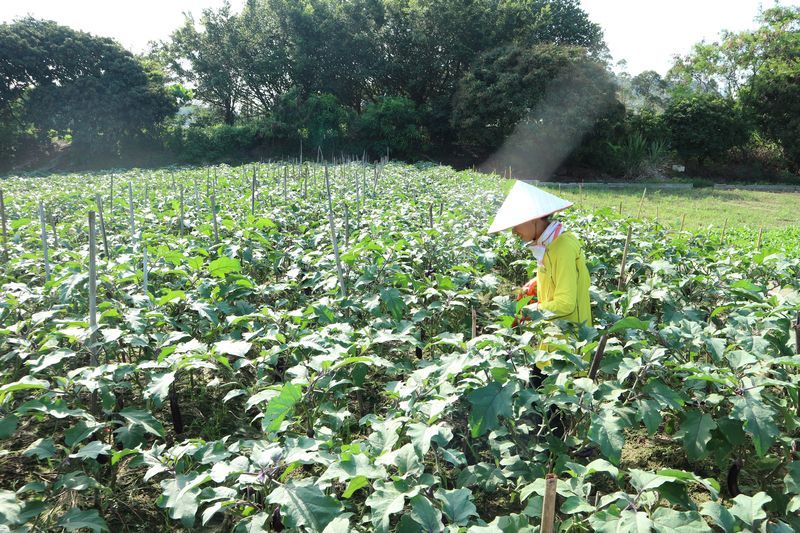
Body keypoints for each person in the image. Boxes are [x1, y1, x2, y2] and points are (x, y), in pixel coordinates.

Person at [489, 180, 592, 326]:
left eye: (516, 224)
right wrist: (536, 282)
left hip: (571, 338)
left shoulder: (563, 247)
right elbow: (562, 276)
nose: (513, 231)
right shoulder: (550, 243)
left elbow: (565, 304)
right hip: (554, 331)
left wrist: (528, 311)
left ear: (534, 219)